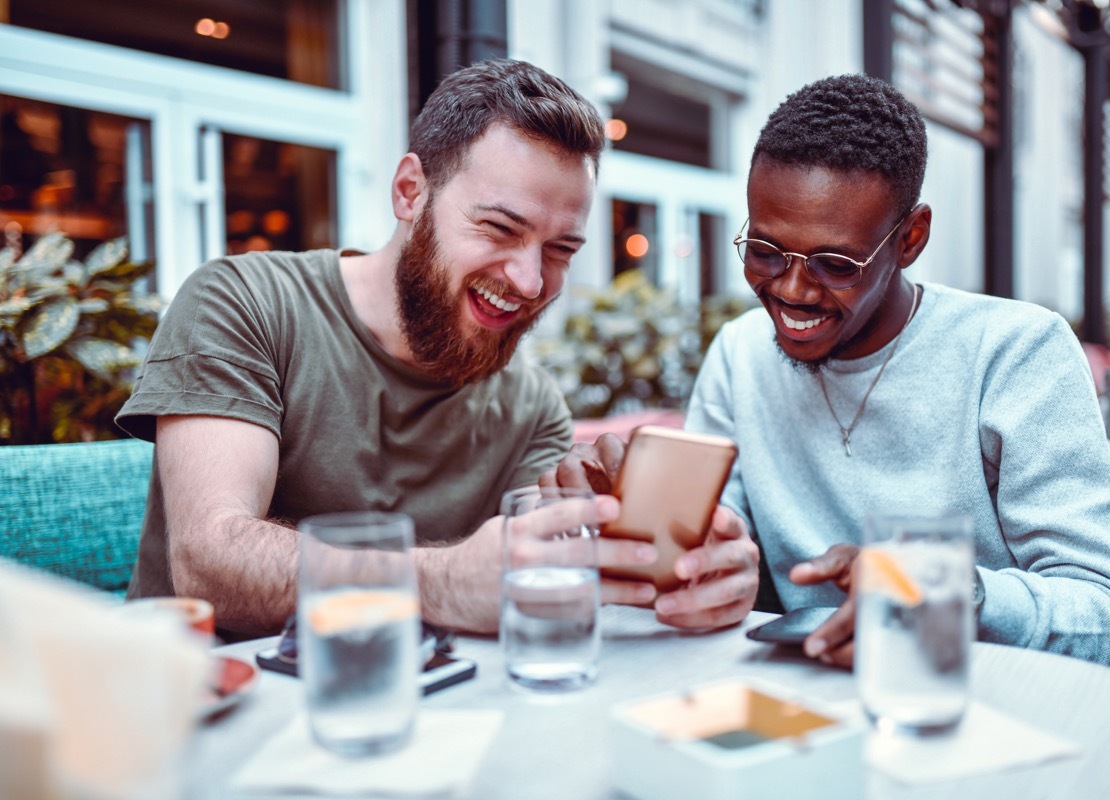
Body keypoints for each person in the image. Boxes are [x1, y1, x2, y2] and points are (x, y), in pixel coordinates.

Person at [116, 58, 756, 639]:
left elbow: (535, 571)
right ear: (409, 193)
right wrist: (438, 580)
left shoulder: (529, 405)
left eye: (560, 250)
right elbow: (209, 563)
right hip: (198, 717)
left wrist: (661, 571)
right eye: (499, 228)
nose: (531, 282)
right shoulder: (245, 303)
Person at [548, 74, 1110, 672]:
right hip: (804, 700)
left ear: (910, 239)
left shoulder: (1016, 353)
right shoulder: (740, 354)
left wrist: (937, 591)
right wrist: (643, 537)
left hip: (973, 706)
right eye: (764, 251)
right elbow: (715, 552)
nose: (789, 290)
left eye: (836, 264)